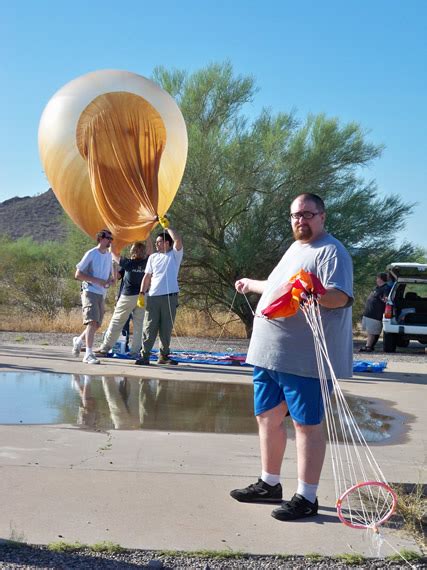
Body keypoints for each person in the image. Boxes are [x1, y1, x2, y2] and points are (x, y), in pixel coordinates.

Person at [230, 193, 353, 521]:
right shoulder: (296, 248)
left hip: (304, 360)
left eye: (308, 214)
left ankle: (307, 497)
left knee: (306, 425)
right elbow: (277, 285)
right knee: (267, 418)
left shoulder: (331, 251)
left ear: (322, 216)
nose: (301, 220)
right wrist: (250, 284)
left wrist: (316, 294)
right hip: (269, 356)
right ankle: (269, 484)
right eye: (296, 215)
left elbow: (340, 296)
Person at [94, 239, 153, 357]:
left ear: (134, 252)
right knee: (139, 325)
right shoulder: (147, 262)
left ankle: (105, 348)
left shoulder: (128, 263)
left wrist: (113, 241)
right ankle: (135, 351)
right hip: (143, 296)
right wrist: (148, 236)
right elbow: (150, 250)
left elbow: (114, 254)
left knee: (117, 322)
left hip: (128, 296)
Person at [135, 226, 183, 366]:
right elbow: (147, 276)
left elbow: (178, 240)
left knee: (166, 328)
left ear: (167, 243)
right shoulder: (153, 258)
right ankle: (145, 356)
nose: (157, 244)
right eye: (156, 242)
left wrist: (167, 227)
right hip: (154, 296)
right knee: (149, 326)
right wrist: (142, 293)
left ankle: (164, 355)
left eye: (159, 242)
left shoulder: (174, 255)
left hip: (170, 297)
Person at [72, 229, 115, 365]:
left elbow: (108, 276)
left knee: (97, 324)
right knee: (92, 321)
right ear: (101, 238)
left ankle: (79, 340)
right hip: (89, 290)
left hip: (101, 293)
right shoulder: (91, 254)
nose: (110, 241)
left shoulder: (109, 256)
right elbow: (78, 274)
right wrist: (97, 281)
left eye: (111, 239)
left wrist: (110, 280)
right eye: (108, 238)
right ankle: (88, 354)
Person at [360, 272, 391, 352]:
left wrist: (385, 299)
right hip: (368, 313)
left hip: (375, 315)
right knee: (370, 331)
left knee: (372, 332)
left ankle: (368, 347)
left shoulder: (386, 288)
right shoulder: (377, 288)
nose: (376, 280)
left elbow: (385, 298)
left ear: (381, 279)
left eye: (377, 278)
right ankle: (370, 346)